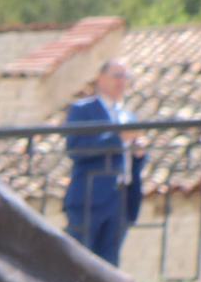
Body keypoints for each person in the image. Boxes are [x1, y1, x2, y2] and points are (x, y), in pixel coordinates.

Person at [62, 59, 146, 267]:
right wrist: (118, 138)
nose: (122, 82)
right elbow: (76, 148)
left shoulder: (128, 115)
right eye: (117, 76)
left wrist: (139, 153)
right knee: (81, 263)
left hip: (121, 198)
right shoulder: (83, 110)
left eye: (125, 77)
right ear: (101, 79)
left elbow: (130, 158)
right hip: (91, 196)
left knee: (110, 264)